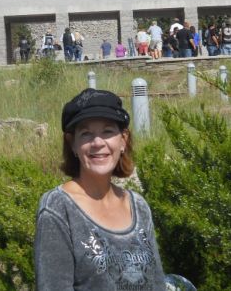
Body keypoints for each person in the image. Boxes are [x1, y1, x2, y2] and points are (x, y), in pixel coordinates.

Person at [34, 88, 166, 290]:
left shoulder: (138, 206)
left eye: (108, 131)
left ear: (123, 140)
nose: (97, 143)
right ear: (73, 144)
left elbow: (157, 283)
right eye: (86, 134)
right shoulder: (58, 208)